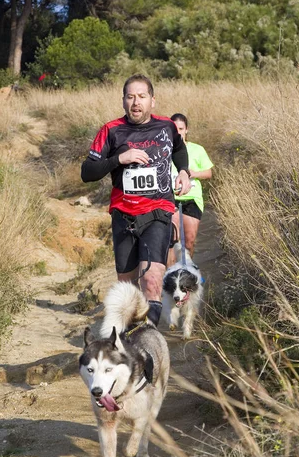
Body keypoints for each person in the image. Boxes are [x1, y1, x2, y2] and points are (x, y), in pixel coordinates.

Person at [81, 75, 191, 326]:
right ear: (123, 101)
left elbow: (178, 149)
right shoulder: (111, 131)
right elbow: (87, 172)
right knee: (127, 288)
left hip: (158, 211)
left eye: (141, 96)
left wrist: (183, 171)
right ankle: (131, 334)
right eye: (130, 97)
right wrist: (119, 159)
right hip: (124, 215)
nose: (136, 102)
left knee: (151, 280)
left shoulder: (167, 126)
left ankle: (149, 337)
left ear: (153, 100)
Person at [168, 113, 213, 264]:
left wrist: (194, 173)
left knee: (189, 241)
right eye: (175, 129)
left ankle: (187, 273)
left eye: (181, 128)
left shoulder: (197, 149)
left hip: (192, 198)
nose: (178, 132)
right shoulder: (164, 150)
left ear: (186, 130)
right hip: (170, 198)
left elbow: (209, 173)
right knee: (172, 241)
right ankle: (172, 276)